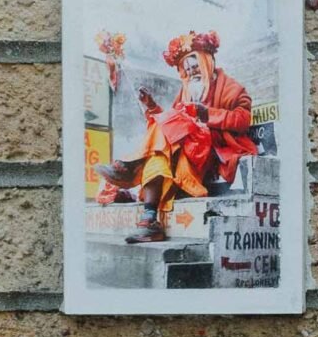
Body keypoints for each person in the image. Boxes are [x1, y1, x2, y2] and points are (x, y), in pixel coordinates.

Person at [95, 30, 257, 244]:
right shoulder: (186, 91)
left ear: (207, 62)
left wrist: (206, 114)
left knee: (164, 135)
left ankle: (130, 167)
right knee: (158, 155)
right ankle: (150, 219)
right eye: (187, 70)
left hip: (210, 151)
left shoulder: (233, 89)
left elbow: (243, 118)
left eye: (195, 66)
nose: (192, 73)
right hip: (183, 153)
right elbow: (168, 123)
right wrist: (151, 106)